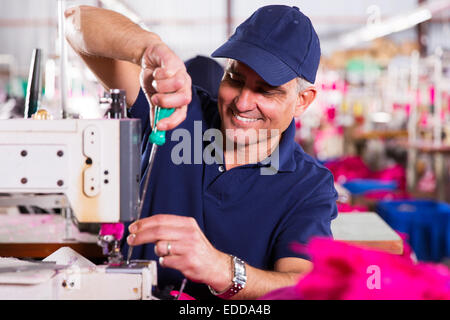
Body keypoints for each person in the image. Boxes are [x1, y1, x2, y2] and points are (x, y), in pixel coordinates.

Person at [65, 5, 338, 300]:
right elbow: (74, 23)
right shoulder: (177, 110)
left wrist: (223, 270)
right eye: (235, 79)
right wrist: (148, 48)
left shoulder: (308, 186)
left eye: (266, 90)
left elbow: (304, 288)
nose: (243, 103)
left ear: (302, 101)